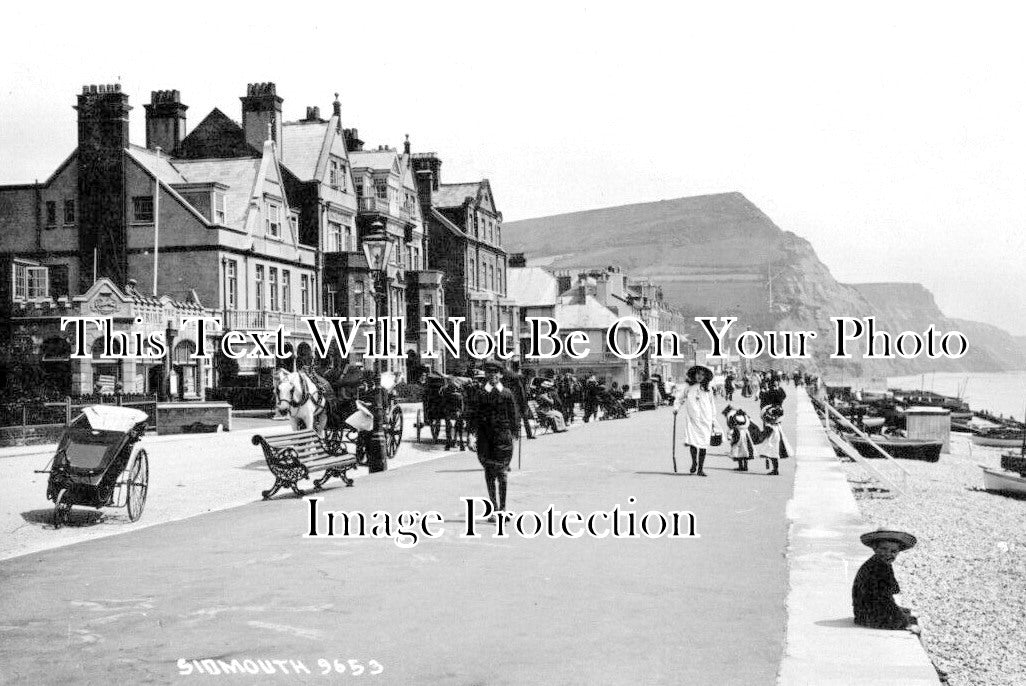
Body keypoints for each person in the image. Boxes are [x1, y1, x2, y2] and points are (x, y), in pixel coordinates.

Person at [470, 361, 519, 517]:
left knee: (502, 474)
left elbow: (514, 416)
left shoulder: (507, 393)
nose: (493, 376)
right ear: (486, 375)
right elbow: (474, 416)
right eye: (490, 373)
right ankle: (494, 508)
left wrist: (515, 433)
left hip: (503, 440)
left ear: (501, 375)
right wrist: (471, 435)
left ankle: (502, 509)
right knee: (490, 475)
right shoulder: (480, 394)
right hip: (485, 440)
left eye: (496, 373)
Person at [672, 365, 721, 476]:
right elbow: (679, 399)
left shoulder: (708, 390)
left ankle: (700, 469)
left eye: (702, 375)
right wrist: (676, 408)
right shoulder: (688, 388)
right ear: (694, 375)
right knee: (693, 442)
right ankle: (694, 462)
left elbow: (712, 404)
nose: (700, 376)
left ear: (705, 377)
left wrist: (713, 419)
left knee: (703, 444)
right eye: (698, 374)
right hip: (692, 419)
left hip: (705, 419)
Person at [752, 404, 791, 475]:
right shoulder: (777, 424)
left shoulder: (769, 426)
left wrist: (758, 439)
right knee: (774, 455)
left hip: (772, 441)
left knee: (773, 455)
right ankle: (775, 469)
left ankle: (775, 470)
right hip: (777, 438)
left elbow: (764, 434)